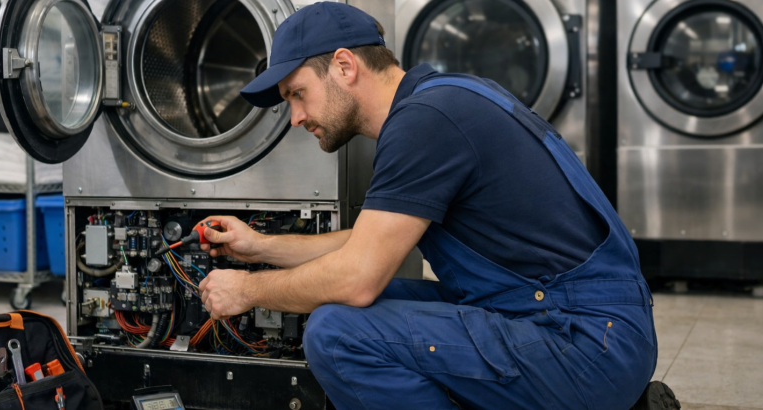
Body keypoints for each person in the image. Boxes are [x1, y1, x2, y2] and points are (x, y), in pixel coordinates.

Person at [197, 3, 679, 409]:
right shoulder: (441, 100)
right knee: (358, 303)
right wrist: (259, 245)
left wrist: (247, 289)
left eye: (297, 94)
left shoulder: (423, 123)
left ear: (345, 66)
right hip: (577, 324)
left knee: (338, 331)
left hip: (584, 343)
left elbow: (357, 276)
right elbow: (370, 242)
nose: (297, 117)